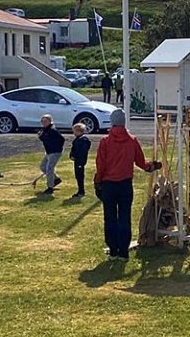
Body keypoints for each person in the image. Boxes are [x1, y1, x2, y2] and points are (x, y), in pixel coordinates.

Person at [94, 109, 161, 261]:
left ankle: (113, 250)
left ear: (112, 122)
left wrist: (98, 181)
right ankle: (123, 251)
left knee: (110, 217)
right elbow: (141, 163)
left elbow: (101, 165)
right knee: (125, 216)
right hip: (125, 184)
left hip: (109, 184)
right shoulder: (132, 140)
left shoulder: (105, 141)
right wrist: (152, 166)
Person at [38, 114, 65, 195]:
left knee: (49, 168)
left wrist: (56, 148)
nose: (43, 123)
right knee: (43, 167)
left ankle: (50, 187)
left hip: (55, 152)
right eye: (42, 121)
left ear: (50, 121)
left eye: (45, 121)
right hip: (49, 152)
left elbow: (62, 139)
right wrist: (41, 137)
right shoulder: (45, 130)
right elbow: (45, 140)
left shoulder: (52, 130)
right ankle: (56, 179)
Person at [69, 122, 92, 198]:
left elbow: (82, 151)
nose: (74, 133)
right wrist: (71, 155)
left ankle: (81, 191)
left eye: (74, 131)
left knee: (80, 175)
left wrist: (75, 156)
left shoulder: (83, 140)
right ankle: (80, 190)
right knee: (77, 175)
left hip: (80, 161)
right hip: (77, 160)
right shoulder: (77, 140)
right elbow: (74, 149)